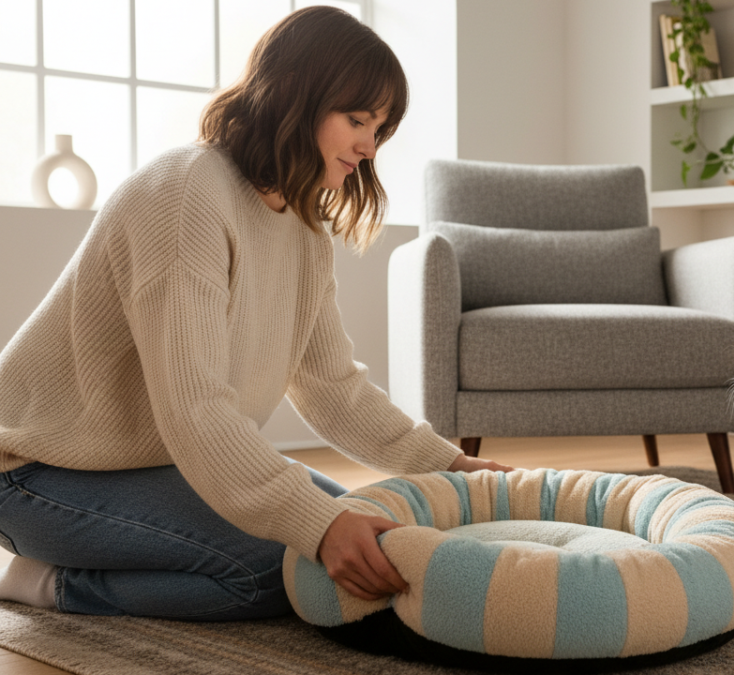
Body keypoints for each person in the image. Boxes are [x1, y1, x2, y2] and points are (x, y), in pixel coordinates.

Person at [0, 6, 509, 620]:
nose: (369, 148)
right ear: (300, 94)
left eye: (379, 129)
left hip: (152, 465)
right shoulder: (185, 194)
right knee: (283, 569)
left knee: (370, 533)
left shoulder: (303, 225)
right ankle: (45, 583)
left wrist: (452, 466)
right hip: (34, 473)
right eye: (357, 120)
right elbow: (197, 409)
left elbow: (332, 389)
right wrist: (315, 527)